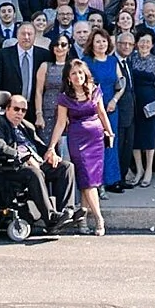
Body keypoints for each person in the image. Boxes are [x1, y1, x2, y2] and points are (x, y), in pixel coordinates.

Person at [0, 93, 81, 232]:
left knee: (66, 167)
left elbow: (40, 146)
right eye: (16, 109)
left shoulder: (26, 126)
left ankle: (67, 212)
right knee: (34, 172)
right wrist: (25, 157)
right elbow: (0, 147)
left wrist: (51, 152)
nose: (20, 113)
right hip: (12, 167)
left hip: (36, 163)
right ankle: (50, 218)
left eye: (23, 110)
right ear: (7, 109)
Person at [45, 59, 112, 235]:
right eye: (74, 73)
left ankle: (82, 221)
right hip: (77, 139)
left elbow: (102, 112)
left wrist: (109, 132)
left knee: (88, 181)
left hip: (96, 139)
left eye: (80, 72)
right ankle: (99, 218)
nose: (78, 76)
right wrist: (52, 146)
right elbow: (60, 123)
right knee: (87, 180)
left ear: (86, 74)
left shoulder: (95, 90)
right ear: (68, 77)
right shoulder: (64, 97)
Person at [82, 28, 125, 192]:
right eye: (98, 41)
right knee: (96, 145)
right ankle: (96, 182)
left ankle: (112, 180)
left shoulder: (113, 61)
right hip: (93, 107)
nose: (101, 44)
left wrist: (114, 100)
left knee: (111, 142)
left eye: (104, 41)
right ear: (92, 43)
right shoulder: (86, 61)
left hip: (111, 106)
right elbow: (84, 85)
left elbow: (121, 83)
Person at [127, 32, 155, 187]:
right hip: (133, 102)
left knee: (150, 136)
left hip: (151, 103)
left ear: (152, 44)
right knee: (135, 136)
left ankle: (149, 169)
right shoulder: (131, 59)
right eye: (141, 41)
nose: (144, 44)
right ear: (137, 43)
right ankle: (139, 169)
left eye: (148, 42)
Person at [34, 34, 72, 155]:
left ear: (69, 47)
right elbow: (39, 92)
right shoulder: (45, 66)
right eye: (56, 44)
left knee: (65, 150)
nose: (59, 47)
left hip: (68, 113)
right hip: (47, 112)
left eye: (63, 44)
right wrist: (39, 114)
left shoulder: (73, 66)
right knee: (46, 148)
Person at [110, 30, 139, 186]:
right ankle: (115, 180)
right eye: (124, 43)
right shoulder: (113, 62)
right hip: (118, 111)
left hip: (130, 111)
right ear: (117, 44)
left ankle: (121, 177)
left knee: (127, 147)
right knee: (118, 147)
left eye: (130, 44)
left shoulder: (129, 61)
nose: (127, 46)